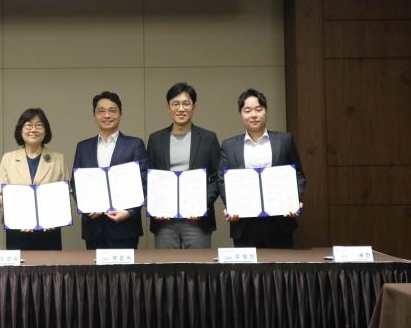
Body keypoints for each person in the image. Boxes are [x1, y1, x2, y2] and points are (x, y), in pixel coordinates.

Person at [219, 88, 306, 248]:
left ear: (266, 111)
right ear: (240, 115)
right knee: (247, 265)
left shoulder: (284, 140)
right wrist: (231, 206)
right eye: (247, 111)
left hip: (280, 221)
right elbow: (222, 181)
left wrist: (295, 200)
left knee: (280, 265)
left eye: (258, 109)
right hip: (244, 223)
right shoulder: (229, 146)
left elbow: (298, 175)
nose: (253, 115)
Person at [147, 82, 221, 249]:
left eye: (186, 103)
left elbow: (217, 177)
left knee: (198, 265)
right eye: (175, 104)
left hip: (197, 219)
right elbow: (148, 177)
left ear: (193, 107)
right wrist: (155, 205)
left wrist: (201, 202)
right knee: (166, 265)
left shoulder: (208, 138)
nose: (181, 108)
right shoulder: (156, 139)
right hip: (164, 220)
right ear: (168, 108)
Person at [72, 91, 147, 249]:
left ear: (120, 114)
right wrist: (86, 208)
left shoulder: (134, 145)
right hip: (93, 228)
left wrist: (129, 211)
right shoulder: (83, 147)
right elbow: (76, 183)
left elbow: (144, 181)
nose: (107, 115)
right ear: (94, 115)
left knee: (125, 267)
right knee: (94, 267)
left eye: (112, 110)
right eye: (101, 111)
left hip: (125, 227)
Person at [0, 108, 68, 250]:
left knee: (50, 265)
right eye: (28, 125)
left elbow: (64, 195)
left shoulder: (59, 159)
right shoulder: (8, 159)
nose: (33, 130)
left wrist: (55, 219)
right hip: (18, 229)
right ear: (20, 130)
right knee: (19, 265)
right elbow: (1, 195)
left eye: (39, 125)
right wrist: (18, 219)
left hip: (49, 230)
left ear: (46, 130)